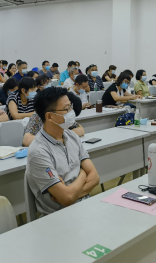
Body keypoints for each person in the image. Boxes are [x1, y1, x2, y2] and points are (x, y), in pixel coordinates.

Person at [26, 86, 99, 217]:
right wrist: (83, 173)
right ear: (49, 116)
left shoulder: (72, 136)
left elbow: (95, 177)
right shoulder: (38, 152)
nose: (71, 112)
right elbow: (67, 198)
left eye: (70, 107)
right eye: (66, 109)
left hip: (86, 207)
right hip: (58, 217)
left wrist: (72, 191)